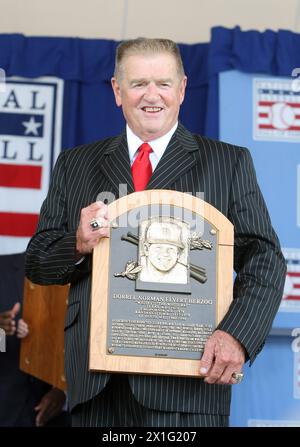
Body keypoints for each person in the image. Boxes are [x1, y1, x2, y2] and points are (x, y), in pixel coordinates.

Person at [25, 38, 286, 427]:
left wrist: (237, 336)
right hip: (98, 383)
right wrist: (77, 244)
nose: (152, 96)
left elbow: (265, 259)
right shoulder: (75, 164)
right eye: (138, 83)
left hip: (189, 381)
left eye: (164, 83)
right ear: (117, 90)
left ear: (182, 89)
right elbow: (39, 262)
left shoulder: (228, 163)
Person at [0, 253, 69, 427]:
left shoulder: (80, 273)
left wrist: (63, 391)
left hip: (54, 412)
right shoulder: (3, 268)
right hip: (6, 408)